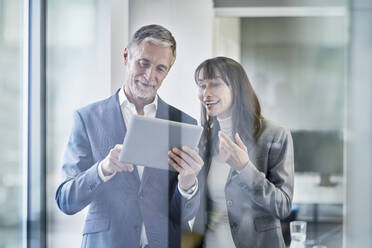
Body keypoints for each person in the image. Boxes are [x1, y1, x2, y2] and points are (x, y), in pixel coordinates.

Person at [55, 24, 204, 248]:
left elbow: (185, 213)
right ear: (126, 56)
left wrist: (188, 183)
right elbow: (66, 201)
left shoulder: (184, 124)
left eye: (160, 68)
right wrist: (102, 169)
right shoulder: (88, 119)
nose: (149, 76)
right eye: (143, 63)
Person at [193, 57, 294, 248]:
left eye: (215, 84)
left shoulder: (274, 135)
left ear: (236, 89)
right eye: (201, 85)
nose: (206, 93)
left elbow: (283, 206)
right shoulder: (201, 138)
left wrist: (245, 168)